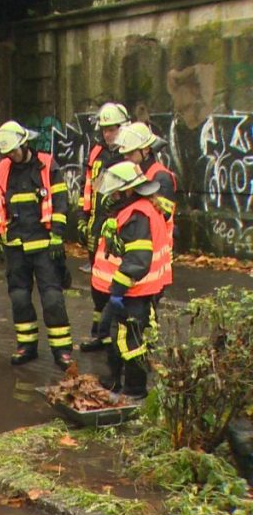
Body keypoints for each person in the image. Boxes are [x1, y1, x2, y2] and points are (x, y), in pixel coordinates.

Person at [0, 121, 74, 370]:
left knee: (53, 299)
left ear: (24, 144)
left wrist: (57, 236)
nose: (11, 156)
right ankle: (26, 346)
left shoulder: (46, 164)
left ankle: (62, 350)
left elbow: (61, 201)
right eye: (7, 153)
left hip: (44, 245)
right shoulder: (3, 168)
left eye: (13, 151)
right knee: (20, 298)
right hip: (15, 246)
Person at [89, 162, 170, 397]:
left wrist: (117, 291)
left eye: (114, 191)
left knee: (130, 343)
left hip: (134, 292)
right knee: (118, 338)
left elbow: (137, 260)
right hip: (132, 291)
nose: (111, 196)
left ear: (126, 191)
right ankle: (115, 382)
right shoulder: (135, 209)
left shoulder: (137, 215)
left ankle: (135, 390)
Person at [77, 103, 130, 353]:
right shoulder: (97, 153)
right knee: (97, 284)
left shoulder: (130, 154)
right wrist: (82, 217)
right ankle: (100, 334)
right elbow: (90, 186)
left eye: (113, 129)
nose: (109, 134)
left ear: (124, 127)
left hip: (118, 226)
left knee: (116, 283)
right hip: (96, 226)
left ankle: (117, 334)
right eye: (105, 129)